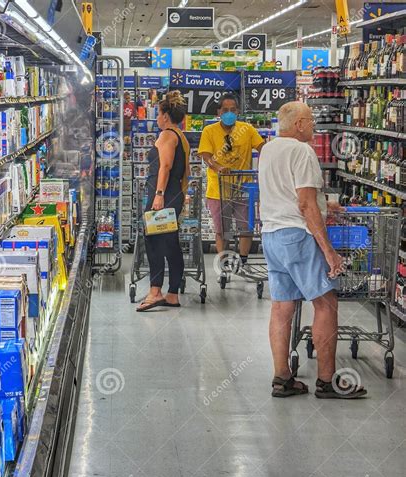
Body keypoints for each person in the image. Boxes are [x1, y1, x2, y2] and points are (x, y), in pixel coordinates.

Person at [258, 101, 367, 399]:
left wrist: (324, 204)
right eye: (311, 120)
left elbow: (289, 193)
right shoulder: (303, 151)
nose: (315, 126)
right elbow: (304, 204)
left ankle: (282, 378)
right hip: (298, 237)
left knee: (282, 307)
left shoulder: (269, 149)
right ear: (299, 125)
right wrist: (329, 251)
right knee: (326, 303)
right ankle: (327, 381)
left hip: (271, 235)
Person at [137, 91, 190, 312]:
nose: (156, 118)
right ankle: (172, 293)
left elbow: (165, 166)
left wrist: (158, 195)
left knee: (155, 243)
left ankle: (155, 291)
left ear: (166, 115)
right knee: (170, 243)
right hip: (173, 194)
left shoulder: (167, 135)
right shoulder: (181, 135)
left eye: (158, 113)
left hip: (164, 196)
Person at [198, 93, 265, 264]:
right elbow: (206, 156)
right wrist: (218, 168)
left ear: (238, 111)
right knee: (222, 230)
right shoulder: (209, 131)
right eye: (225, 110)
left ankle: (243, 260)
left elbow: (262, 147)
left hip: (244, 188)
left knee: (246, 227)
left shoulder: (247, 129)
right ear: (219, 112)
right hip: (218, 190)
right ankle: (224, 261)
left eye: (233, 110)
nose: (229, 113)